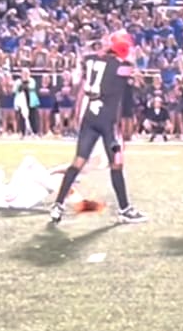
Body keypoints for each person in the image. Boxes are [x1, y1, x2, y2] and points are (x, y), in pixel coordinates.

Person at [49, 31, 147, 224]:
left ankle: (58, 205)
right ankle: (125, 209)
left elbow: (93, 65)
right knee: (117, 163)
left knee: (77, 162)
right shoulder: (122, 66)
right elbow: (137, 80)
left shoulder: (91, 59)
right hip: (108, 122)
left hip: (90, 117)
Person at [0, 155, 104, 212]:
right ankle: (80, 170)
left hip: (18, 198)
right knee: (29, 161)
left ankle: (80, 202)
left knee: (53, 177)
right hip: (10, 198)